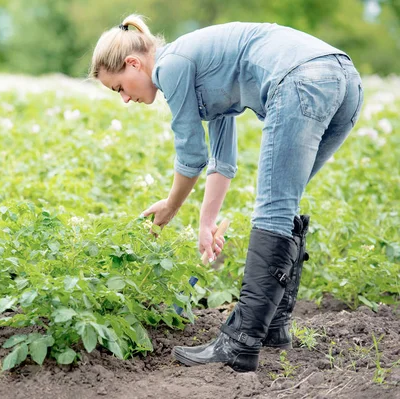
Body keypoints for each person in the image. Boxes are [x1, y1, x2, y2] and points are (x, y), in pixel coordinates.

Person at [89, 14, 363, 372]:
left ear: (134, 63)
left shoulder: (171, 66)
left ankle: (240, 342)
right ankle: (273, 328)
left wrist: (170, 208)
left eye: (119, 87)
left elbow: (191, 155)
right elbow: (222, 158)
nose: (124, 99)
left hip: (303, 79)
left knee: (274, 210)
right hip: (344, 81)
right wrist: (206, 223)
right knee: (282, 205)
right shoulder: (198, 63)